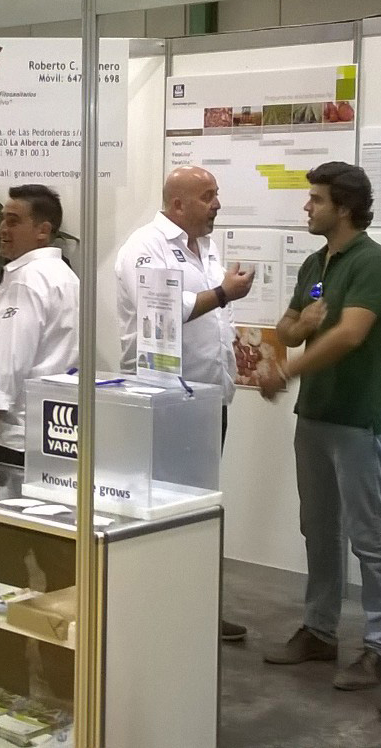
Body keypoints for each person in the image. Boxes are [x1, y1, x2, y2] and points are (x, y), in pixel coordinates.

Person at [114, 165, 254, 642]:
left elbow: (212, 319)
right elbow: (162, 313)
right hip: (166, 401)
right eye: (208, 195)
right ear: (178, 204)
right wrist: (223, 293)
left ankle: (197, 609)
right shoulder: (145, 247)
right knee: (164, 508)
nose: (217, 204)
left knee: (199, 508)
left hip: (209, 399)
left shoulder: (206, 247)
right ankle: (157, 612)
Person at [258, 162, 381, 691]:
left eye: (316, 199)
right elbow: (287, 327)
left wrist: (287, 369)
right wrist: (299, 326)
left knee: (369, 537)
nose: (307, 207)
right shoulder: (316, 262)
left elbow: (350, 334)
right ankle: (320, 630)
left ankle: (378, 645)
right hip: (314, 416)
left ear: (344, 208)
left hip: (359, 419)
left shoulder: (371, 262)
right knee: (318, 528)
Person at [0, 184, 79, 699]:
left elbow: (3, 373)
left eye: (14, 220)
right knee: (61, 570)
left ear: (43, 230)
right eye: (4, 219)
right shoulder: (65, 277)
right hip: (57, 442)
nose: (3, 229)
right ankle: (65, 677)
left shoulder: (26, 282)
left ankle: (6, 674)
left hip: (12, 446)